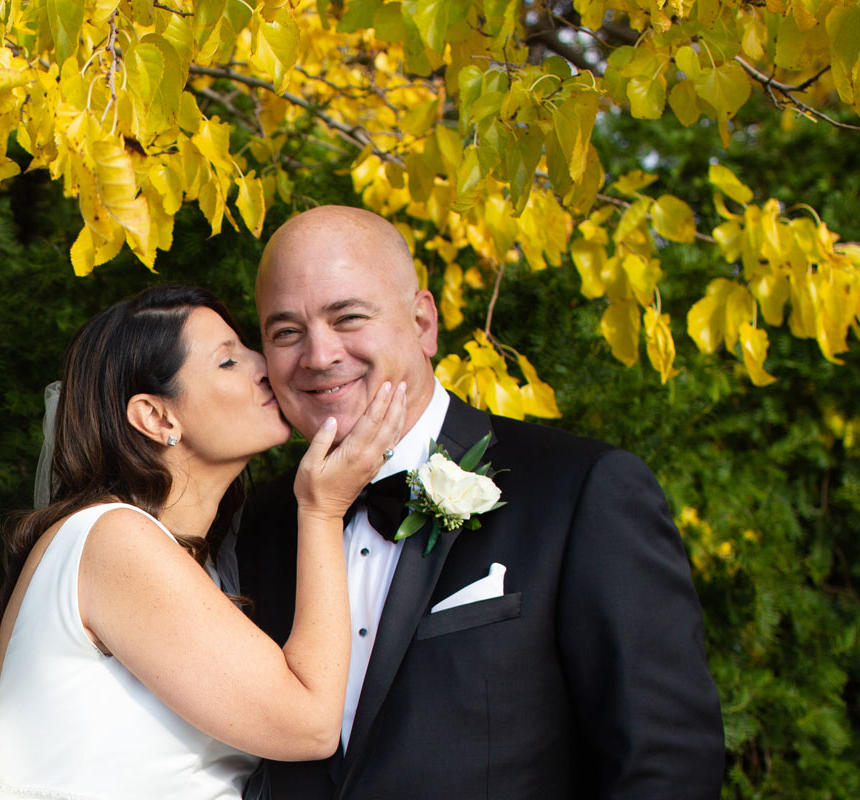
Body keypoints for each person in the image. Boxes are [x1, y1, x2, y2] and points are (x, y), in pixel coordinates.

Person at [236, 206, 724, 799]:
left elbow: (666, 765)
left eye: (349, 317)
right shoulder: (258, 524)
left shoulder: (581, 491)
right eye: (286, 331)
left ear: (422, 323)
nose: (318, 355)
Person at [0, 284, 410, 800]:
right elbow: (311, 725)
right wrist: (322, 510)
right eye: (228, 361)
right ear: (158, 417)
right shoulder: (113, 540)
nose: (265, 365)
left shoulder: (176, 554)